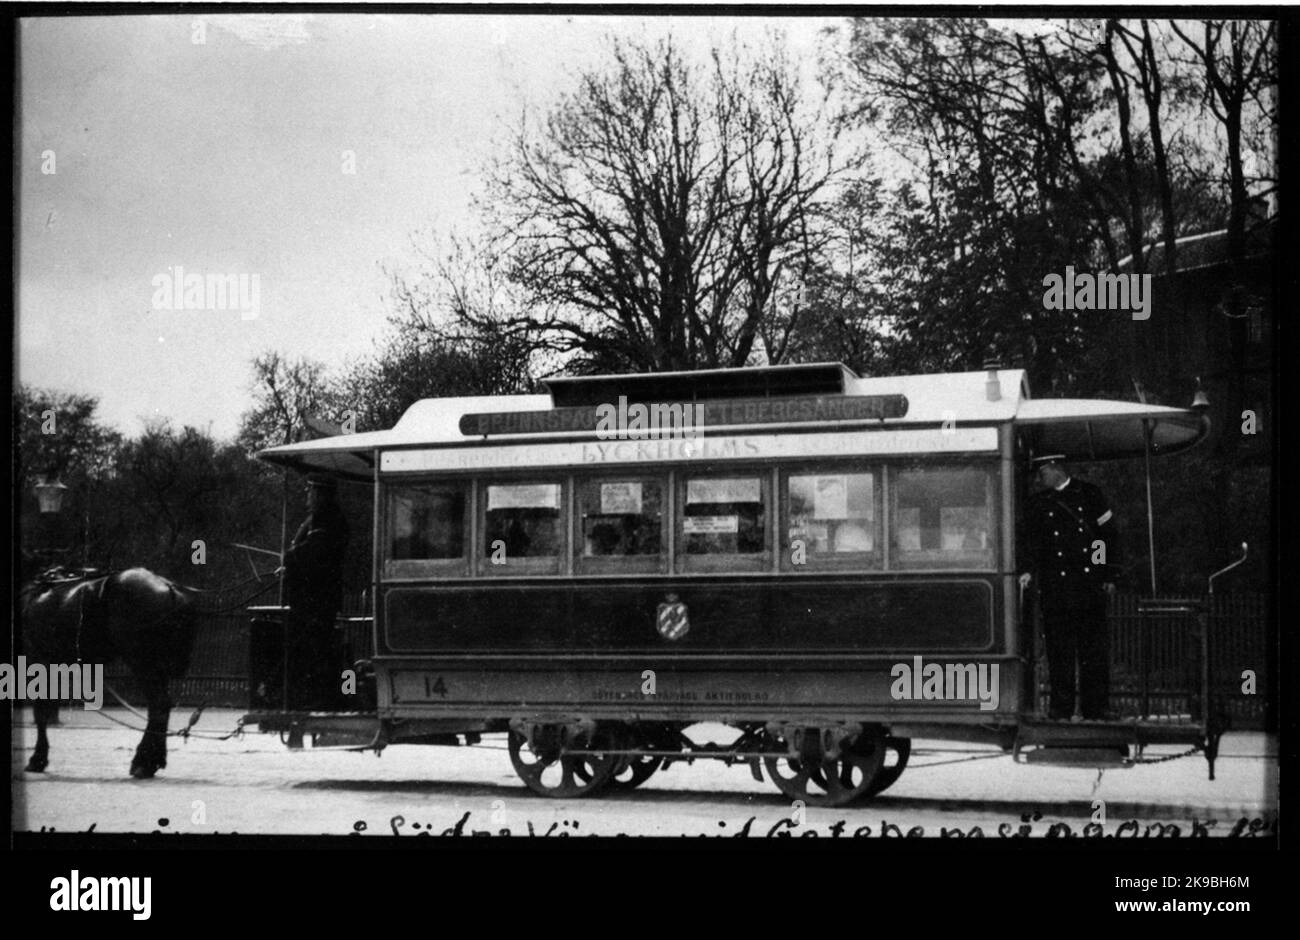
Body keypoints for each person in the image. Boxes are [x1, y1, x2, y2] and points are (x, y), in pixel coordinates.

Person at [1020, 455, 1120, 721]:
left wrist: (1103, 573)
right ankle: (1060, 708)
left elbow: (1103, 537)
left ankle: (1096, 708)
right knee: (1059, 652)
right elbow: (1032, 542)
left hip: (1087, 587)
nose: (1040, 478)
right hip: (1056, 587)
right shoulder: (1040, 503)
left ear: (1056, 468)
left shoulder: (1090, 494)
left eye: (1042, 472)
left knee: (1093, 652)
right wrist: (1028, 569)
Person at [279, 473, 349, 710]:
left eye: (310, 491)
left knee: (314, 651)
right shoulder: (322, 518)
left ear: (320, 493)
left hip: (315, 602)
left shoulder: (325, 519)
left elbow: (313, 552)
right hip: (312, 600)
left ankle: (315, 701)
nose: (307, 496)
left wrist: (288, 559)